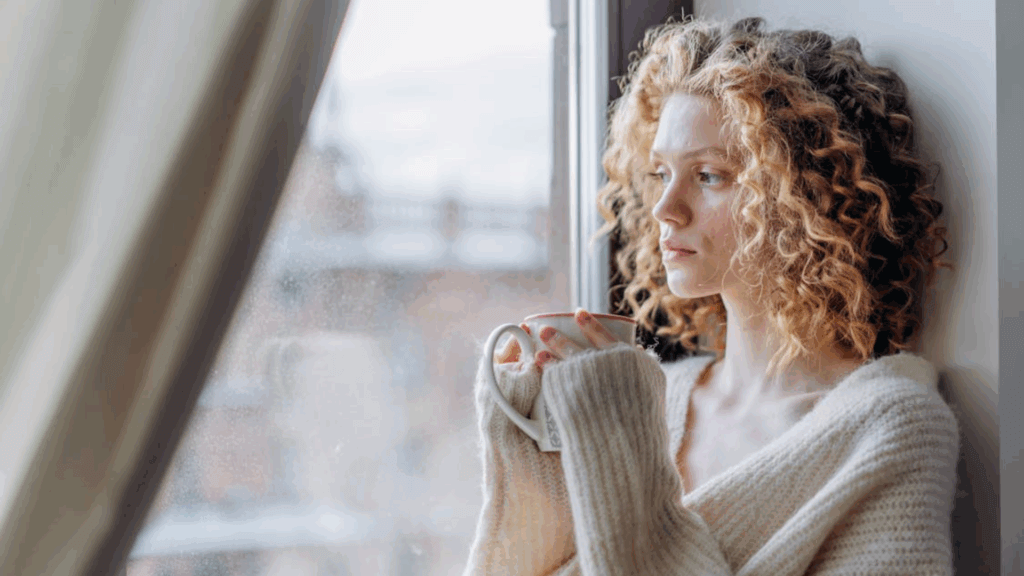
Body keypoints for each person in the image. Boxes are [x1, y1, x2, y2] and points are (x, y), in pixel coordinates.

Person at [464, 15, 958, 576]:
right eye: (660, 173)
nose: (663, 209)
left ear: (803, 197)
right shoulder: (654, 396)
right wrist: (528, 451)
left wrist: (620, 460)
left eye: (708, 176)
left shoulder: (890, 431)